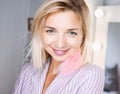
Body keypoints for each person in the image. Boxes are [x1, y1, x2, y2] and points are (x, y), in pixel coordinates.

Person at [13, 0, 104, 94]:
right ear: (40, 32)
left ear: (83, 36)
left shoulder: (91, 74)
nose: (60, 44)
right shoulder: (27, 71)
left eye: (71, 33)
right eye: (51, 31)